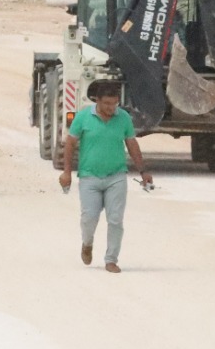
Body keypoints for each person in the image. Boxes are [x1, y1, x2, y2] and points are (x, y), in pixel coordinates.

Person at [59, 80, 150, 274]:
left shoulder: (123, 118)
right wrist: (67, 171)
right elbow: (70, 143)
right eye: (107, 104)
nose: (111, 108)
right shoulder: (83, 117)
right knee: (89, 218)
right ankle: (87, 243)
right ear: (97, 101)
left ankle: (111, 259)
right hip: (89, 177)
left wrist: (143, 170)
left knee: (116, 219)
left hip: (116, 175)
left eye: (114, 103)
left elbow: (132, 144)